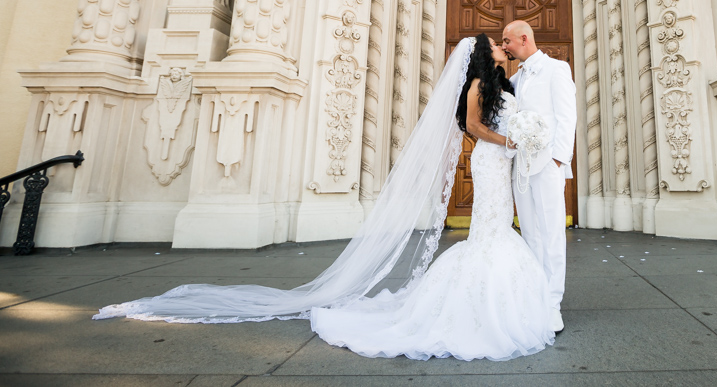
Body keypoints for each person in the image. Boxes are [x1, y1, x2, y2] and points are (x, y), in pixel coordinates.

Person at [94, 35, 554, 362]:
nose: (501, 46)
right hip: (493, 161)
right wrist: (509, 143)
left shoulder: (503, 85)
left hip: (502, 165)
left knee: (493, 228)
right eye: (495, 43)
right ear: (480, 54)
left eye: (504, 43)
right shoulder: (476, 87)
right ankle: (470, 305)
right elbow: (473, 128)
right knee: (488, 231)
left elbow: (501, 123)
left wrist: (522, 139)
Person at [501, 20, 577, 334]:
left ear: (523, 38)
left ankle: (553, 303)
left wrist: (559, 159)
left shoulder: (557, 69)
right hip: (522, 166)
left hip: (547, 164)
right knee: (530, 232)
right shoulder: (515, 78)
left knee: (551, 233)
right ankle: (535, 297)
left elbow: (566, 115)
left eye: (506, 41)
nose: (504, 46)